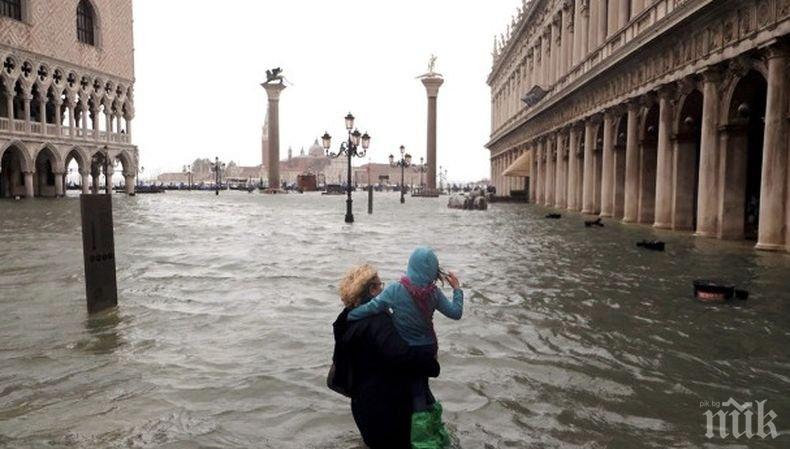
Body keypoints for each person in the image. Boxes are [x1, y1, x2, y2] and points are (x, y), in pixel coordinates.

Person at [331, 264, 440, 449]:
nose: (383, 289)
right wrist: (433, 364)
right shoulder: (378, 322)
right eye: (380, 285)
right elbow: (403, 356)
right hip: (387, 411)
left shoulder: (345, 319)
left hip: (362, 406)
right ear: (372, 289)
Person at [347, 247, 463, 415]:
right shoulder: (435, 294)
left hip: (407, 349)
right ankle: (435, 418)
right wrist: (457, 289)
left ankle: (422, 434)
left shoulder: (395, 290)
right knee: (422, 384)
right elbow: (456, 313)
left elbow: (372, 307)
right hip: (429, 348)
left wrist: (351, 315)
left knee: (416, 389)